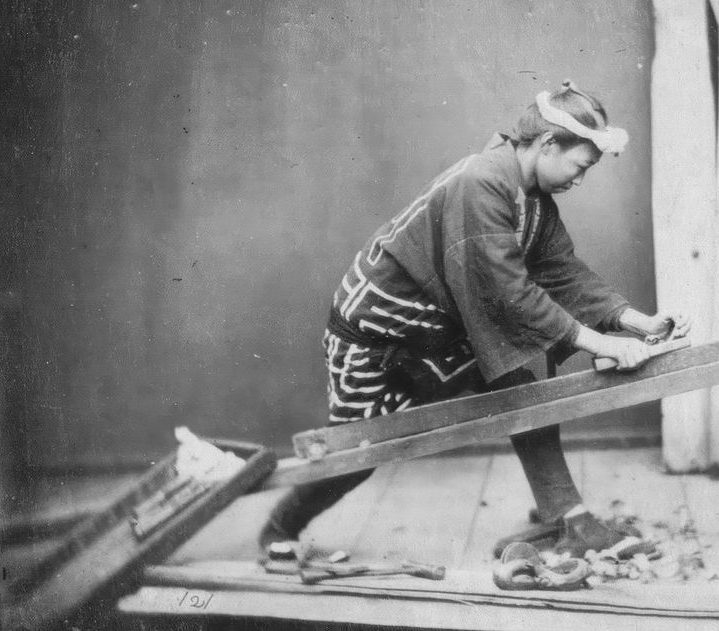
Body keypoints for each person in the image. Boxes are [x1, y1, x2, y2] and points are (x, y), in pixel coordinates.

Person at [259, 80, 690, 559]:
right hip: (378, 340)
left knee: (521, 382)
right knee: (357, 454)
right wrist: (601, 343)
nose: (579, 180)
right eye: (579, 166)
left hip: (434, 332)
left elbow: (563, 273)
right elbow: (508, 294)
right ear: (548, 144)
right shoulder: (480, 183)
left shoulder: (530, 199)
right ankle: (279, 527)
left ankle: (566, 515)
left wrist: (637, 321)